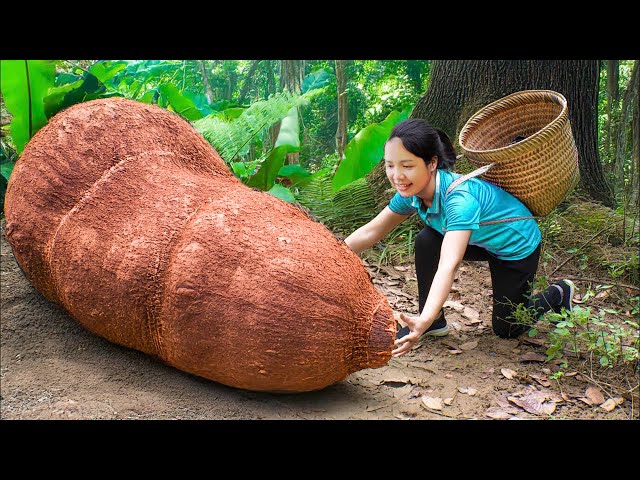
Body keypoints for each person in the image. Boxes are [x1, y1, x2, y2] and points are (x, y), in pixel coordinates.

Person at [344, 119, 576, 357]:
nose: (397, 175)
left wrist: (422, 319)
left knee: (508, 327)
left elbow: (448, 264)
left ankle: (559, 293)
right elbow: (373, 231)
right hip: (480, 238)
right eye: (390, 165)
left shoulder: (459, 200)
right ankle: (435, 323)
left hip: (515, 246)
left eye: (407, 165)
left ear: (432, 163)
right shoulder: (410, 191)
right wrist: (331, 255)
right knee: (427, 240)